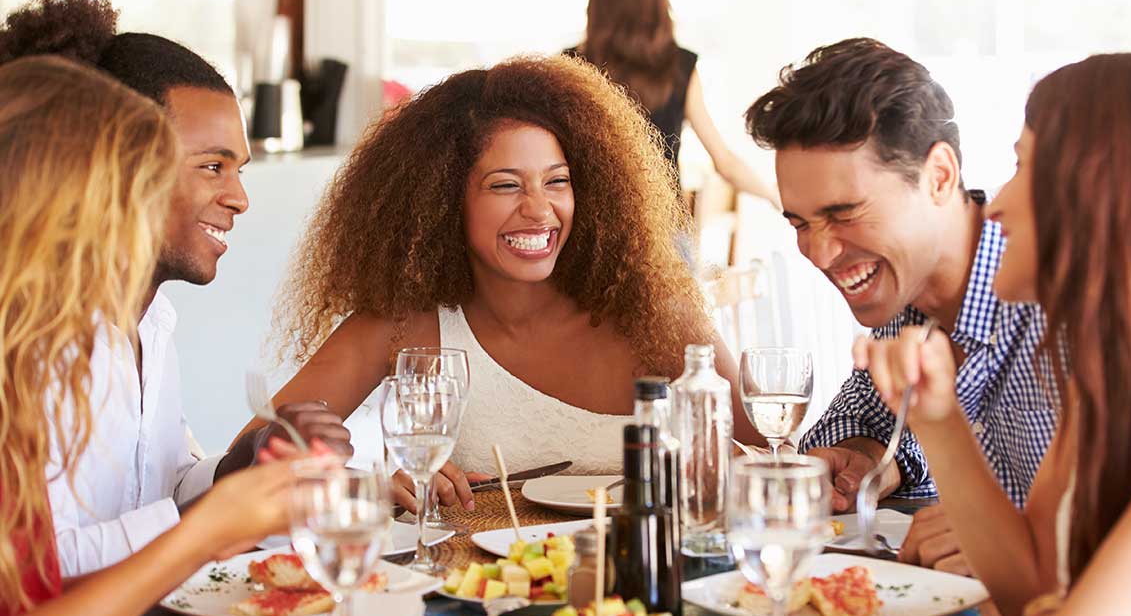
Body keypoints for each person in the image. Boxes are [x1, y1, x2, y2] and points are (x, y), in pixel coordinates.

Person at [240, 54, 764, 513]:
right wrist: (361, 486)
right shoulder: (405, 326)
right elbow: (250, 464)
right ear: (442, 200)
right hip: (478, 605)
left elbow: (766, 458)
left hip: (644, 604)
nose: (539, 210)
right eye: (506, 185)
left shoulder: (656, 314)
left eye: (557, 181)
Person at [855, 53, 1131, 616]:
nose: (1000, 202)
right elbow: (1026, 589)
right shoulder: (1104, 373)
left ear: (1102, 194)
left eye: (1024, 167)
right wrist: (939, 421)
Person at [0, 0, 350, 577]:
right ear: (114, 164)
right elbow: (37, 568)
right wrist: (210, 524)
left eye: (239, 169)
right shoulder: (33, 338)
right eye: (213, 166)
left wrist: (243, 462)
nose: (240, 197)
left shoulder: (153, 320)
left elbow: (153, 491)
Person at [744, 38, 1058, 575]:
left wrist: (1015, 535)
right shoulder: (902, 293)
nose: (818, 252)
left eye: (844, 213)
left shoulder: (1057, 300)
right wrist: (867, 456)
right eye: (800, 222)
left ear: (938, 177)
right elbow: (861, 418)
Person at [571, 0, 778, 209]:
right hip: (665, 227)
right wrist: (772, 195)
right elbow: (723, 162)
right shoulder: (680, 66)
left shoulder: (570, 66)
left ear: (596, 0)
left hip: (592, 225)